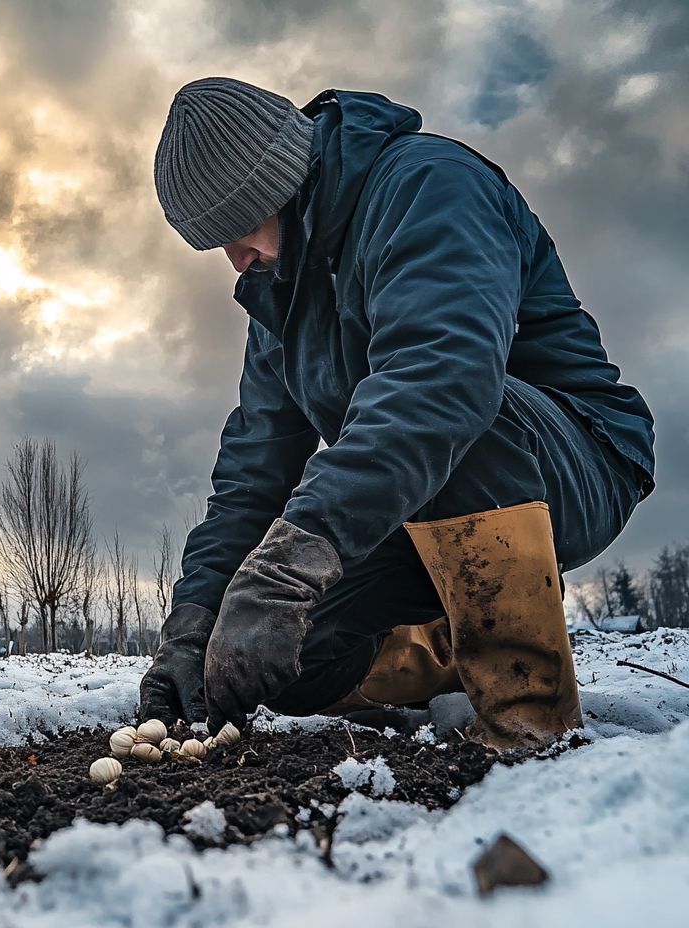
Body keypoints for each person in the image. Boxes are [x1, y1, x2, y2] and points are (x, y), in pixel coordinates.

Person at [139, 78, 655, 749]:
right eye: (216, 245)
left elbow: (442, 381)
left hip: (576, 460)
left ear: (283, 182)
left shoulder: (430, 186)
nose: (235, 260)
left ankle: (529, 712)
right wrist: (195, 624)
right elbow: (251, 472)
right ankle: (456, 639)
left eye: (239, 229)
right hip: (421, 498)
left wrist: (292, 563)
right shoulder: (279, 295)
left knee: (449, 404)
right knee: (280, 659)